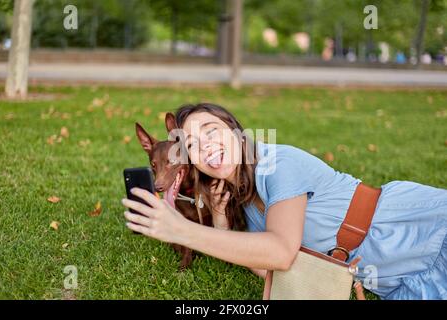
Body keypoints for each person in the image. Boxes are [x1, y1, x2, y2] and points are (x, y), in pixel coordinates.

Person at [122, 103, 447, 300]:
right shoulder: (241, 200)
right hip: (396, 278)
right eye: (191, 144)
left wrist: (182, 230)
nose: (205, 146)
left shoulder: (277, 162)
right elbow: (277, 270)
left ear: (235, 130)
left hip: (417, 229)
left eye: (211, 130)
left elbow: (280, 251)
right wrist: (220, 222)